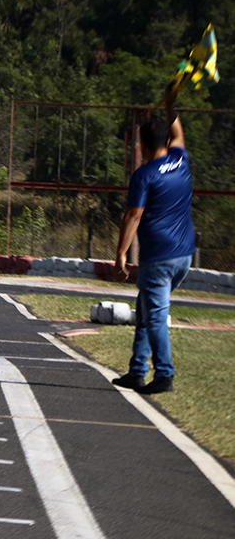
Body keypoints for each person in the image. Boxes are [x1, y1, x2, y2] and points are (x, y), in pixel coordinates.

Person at [113, 92, 195, 394]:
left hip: (158, 258)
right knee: (147, 307)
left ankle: (163, 375)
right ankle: (136, 371)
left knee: (156, 315)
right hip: (184, 256)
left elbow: (133, 215)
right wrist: (171, 103)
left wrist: (121, 253)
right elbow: (178, 133)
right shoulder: (180, 160)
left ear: (143, 145)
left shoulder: (144, 175)